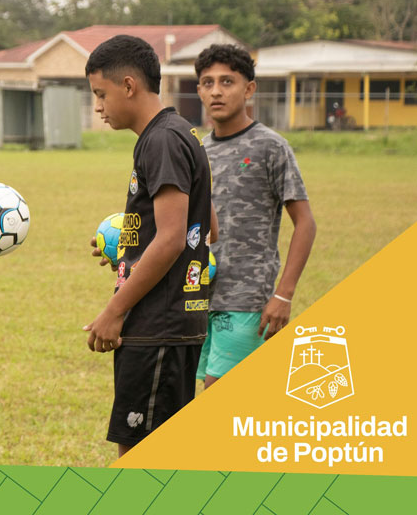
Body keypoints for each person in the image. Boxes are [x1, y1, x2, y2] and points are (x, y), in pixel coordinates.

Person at [84, 35, 212, 456]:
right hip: (171, 324)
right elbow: (205, 223)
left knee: (140, 456)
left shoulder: (161, 140)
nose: (98, 107)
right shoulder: (180, 132)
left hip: (158, 325)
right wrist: (129, 249)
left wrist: (114, 310)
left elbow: (172, 238)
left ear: (128, 86)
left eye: (100, 94)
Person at [194, 44, 316, 389]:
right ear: (199, 90)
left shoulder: (270, 146)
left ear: (249, 89)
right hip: (198, 297)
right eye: (207, 83)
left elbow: (305, 223)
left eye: (227, 81)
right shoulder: (198, 151)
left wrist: (283, 295)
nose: (216, 91)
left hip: (247, 302)